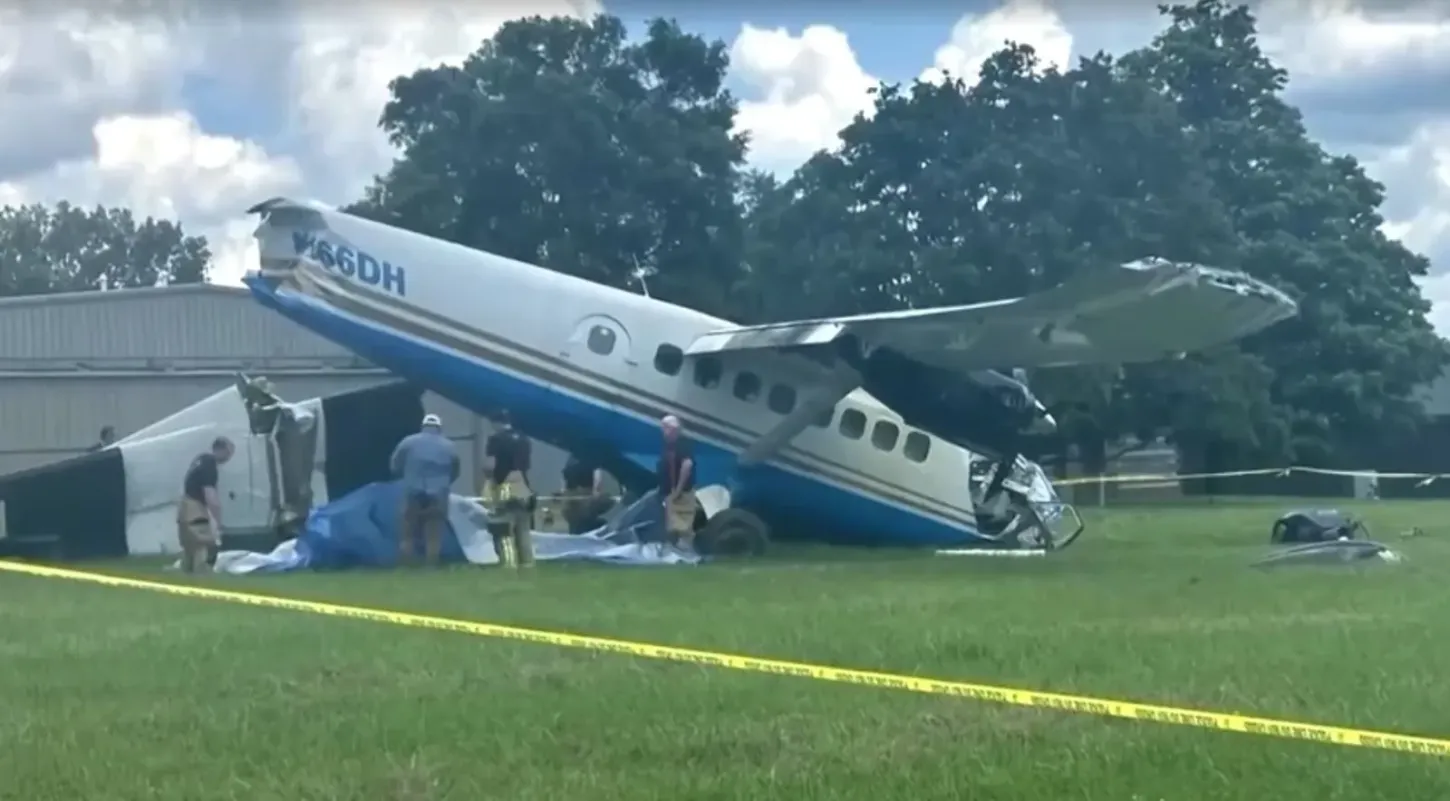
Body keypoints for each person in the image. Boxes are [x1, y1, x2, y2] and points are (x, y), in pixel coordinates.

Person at [390, 413, 460, 568]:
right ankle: (431, 564)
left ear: (422, 426)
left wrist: (407, 476)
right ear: (439, 428)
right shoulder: (449, 446)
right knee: (433, 531)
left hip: (413, 491)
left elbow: (395, 465)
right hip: (438, 493)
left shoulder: (408, 442)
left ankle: (406, 565)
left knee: (408, 531)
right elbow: (455, 471)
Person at [483, 410, 535, 567]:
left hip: (504, 486)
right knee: (523, 529)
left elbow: (490, 465)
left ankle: (509, 565)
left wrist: (488, 482)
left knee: (503, 530)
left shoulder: (495, 439)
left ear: (496, 423)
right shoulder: (524, 439)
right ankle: (527, 565)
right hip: (522, 486)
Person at [176, 436, 234, 574]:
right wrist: (218, 521)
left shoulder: (201, 459)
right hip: (195, 510)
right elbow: (210, 495)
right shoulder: (210, 465)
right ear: (220, 450)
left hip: (184, 507)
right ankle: (201, 577)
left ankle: (186, 577)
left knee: (189, 548)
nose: (229, 457)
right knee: (203, 545)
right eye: (229, 452)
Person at [657, 415, 697, 548]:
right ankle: (674, 548)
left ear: (673, 429)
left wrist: (678, 490)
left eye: (665, 428)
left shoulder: (682, 444)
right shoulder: (669, 445)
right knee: (673, 524)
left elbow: (687, 465)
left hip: (681, 492)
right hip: (671, 492)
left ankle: (686, 550)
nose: (663, 431)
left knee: (683, 525)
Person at [561, 453, 611, 535]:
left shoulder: (571, 459)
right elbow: (597, 480)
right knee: (582, 521)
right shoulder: (590, 459)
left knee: (576, 523)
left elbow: (564, 479)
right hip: (583, 495)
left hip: (575, 495)